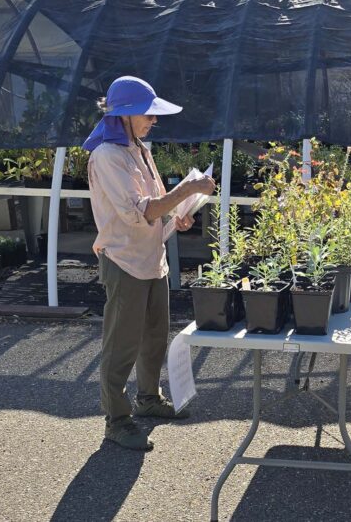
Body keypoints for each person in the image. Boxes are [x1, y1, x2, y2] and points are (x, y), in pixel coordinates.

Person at [84, 76, 216, 451]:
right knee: (121, 345)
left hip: (151, 258)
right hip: (123, 260)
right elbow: (140, 212)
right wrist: (188, 189)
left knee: (154, 337)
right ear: (124, 114)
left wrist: (178, 215)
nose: (153, 120)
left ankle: (148, 399)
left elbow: (156, 204)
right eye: (147, 114)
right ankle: (117, 420)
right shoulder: (108, 156)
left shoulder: (138, 147)